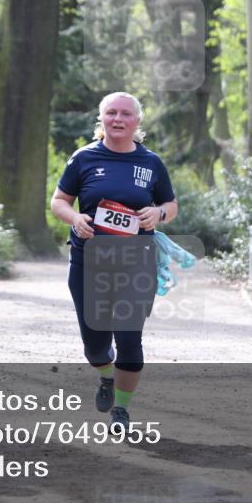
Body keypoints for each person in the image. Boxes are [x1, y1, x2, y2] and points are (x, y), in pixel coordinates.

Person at [50, 92, 178, 431]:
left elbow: (170, 204)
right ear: (101, 119)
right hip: (88, 262)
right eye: (111, 113)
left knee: (129, 336)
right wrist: (75, 219)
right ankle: (106, 376)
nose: (117, 119)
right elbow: (59, 201)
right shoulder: (83, 158)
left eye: (125, 114)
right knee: (95, 346)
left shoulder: (150, 163)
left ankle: (121, 411)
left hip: (135, 263)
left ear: (137, 122)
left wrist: (158, 212)